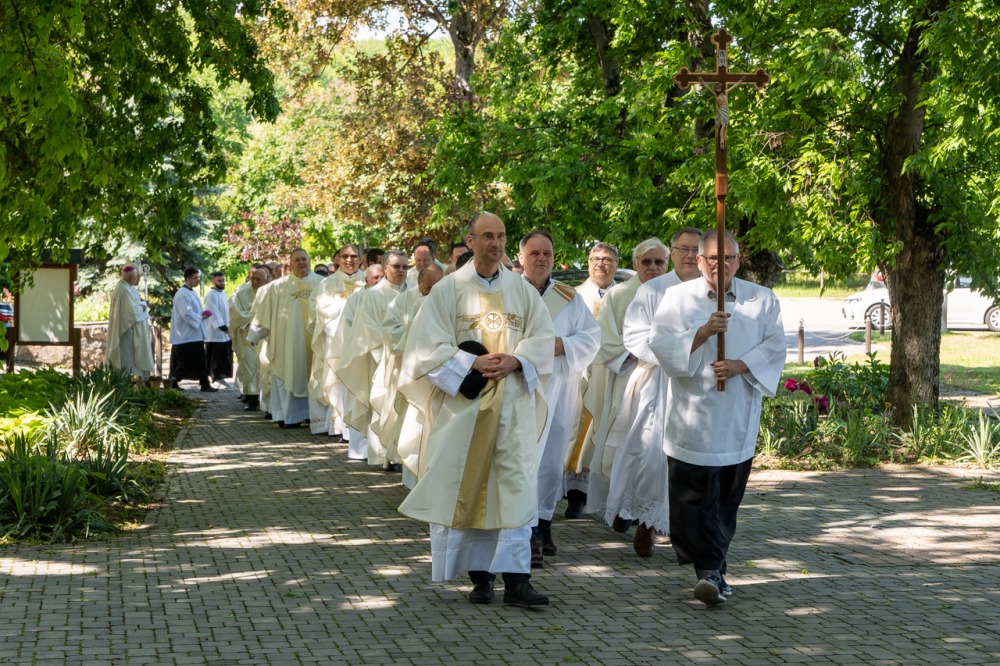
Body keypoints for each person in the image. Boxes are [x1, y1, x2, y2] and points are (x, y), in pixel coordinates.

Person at [397, 212, 555, 608]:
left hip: (513, 407)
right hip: (465, 411)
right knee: (467, 487)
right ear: (471, 241)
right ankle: (480, 578)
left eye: (501, 236)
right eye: (487, 236)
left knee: (515, 488)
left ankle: (517, 581)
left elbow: (542, 336)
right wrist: (471, 362)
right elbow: (424, 348)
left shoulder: (521, 290)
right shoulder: (448, 290)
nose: (496, 244)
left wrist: (517, 360)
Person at [647, 231, 784, 606]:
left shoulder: (761, 299)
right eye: (711, 258)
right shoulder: (677, 298)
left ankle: (713, 569)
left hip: (736, 416)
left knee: (725, 500)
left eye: (727, 258)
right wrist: (703, 331)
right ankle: (709, 571)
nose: (719, 264)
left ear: (738, 261)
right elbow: (660, 343)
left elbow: (775, 344)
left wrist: (741, 365)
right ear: (698, 260)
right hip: (692, 417)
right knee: (691, 500)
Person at [605, 229, 702, 557]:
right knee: (652, 457)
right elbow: (634, 336)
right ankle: (646, 523)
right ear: (672, 253)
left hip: (700, 385)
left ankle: (688, 534)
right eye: (684, 248)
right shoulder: (652, 291)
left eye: (696, 249)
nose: (690, 255)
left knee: (693, 460)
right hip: (658, 382)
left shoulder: (713, 291)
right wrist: (677, 353)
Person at [518, 231, 600, 567]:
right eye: (534, 253)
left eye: (547, 254)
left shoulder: (569, 298)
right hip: (521, 387)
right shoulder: (509, 293)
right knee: (524, 460)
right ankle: (525, 530)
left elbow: (592, 337)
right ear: (521, 257)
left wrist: (562, 345)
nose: (541, 259)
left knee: (551, 461)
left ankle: (544, 522)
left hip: (559, 388)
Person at [563, 241, 620, 518]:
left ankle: (615, 501)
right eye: (595, 259)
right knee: (580, 433)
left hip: (614, 373)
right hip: (581, 374)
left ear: (616, 265)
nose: (601, 264)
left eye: (607, 259)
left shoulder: (625, 296)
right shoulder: (573, 296)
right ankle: (576, 494)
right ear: (588, 263)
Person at [337, 250, 409, 468]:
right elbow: (367, 331)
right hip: (384, 362)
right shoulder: (373, 296)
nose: (401, 271)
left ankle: (404, 455)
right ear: (385, 267)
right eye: (396, 266)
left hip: (411, 361)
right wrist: (391, 353)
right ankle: (385, 455)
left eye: (405, 267)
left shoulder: (414, 293)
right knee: (385, 407)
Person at [378, 264, 444, 485]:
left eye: (438, 287)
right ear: (419, 284)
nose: (432, 293)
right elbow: (391, 331)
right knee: (415, 423)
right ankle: (412, 475)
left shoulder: (449, 301)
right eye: (428, 288)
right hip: (416, 374)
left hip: (442, 376)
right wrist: (414, 334)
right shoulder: (409, 301)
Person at [248, 248, 324, 429]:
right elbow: (264, 314)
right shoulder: (277, 287)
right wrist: (255, 334)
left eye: (304, 259)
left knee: (316, 375)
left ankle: (314, 417)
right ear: (290, 264)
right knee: (287, 373)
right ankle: (289, 416)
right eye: (297, 260)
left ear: (310, 261)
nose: (301, 263)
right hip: (287, 344)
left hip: (316, 343)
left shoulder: (322, 284)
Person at [309, 245, 364, 437]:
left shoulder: (367, 280)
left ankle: (357, 428)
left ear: (360, 259)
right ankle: (340, 426)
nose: (350, 260)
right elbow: (323, 310)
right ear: (338, 259)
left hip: (362, 341)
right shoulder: (327, 283)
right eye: (345, 256)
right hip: (337, 342)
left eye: (354, 256)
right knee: (338, 381)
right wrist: (348, 313)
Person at [168, 268, 217, 392]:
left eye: (198, 278)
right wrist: (201, 317)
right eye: (195, 278)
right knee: (185, 362)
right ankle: (173, 381)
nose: (197, 280)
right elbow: (187, 313)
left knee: (200, 360)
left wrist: (202, 314)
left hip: (194, 334)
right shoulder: (182, 294)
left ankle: (204, 383)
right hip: (186, 335)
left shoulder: (192, 292)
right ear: (188, 278)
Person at [105, 264, 155, 379]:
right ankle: (131, 382)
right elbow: (133, 313)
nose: (137, 279)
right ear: (132, 277)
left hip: (129, 329)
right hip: (128, 332)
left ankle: (138, 381)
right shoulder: (124, 290)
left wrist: (141, 304)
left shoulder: (126, 287)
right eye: (136, 276)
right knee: (129, 358)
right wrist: (144, 305)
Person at [231, 266, 269, 410]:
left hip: (265, 336)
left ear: (266, 280)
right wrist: (254, 320)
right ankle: (252, 399)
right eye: (253, 279)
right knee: (250, 366)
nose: (255, 282)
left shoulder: (271, 292)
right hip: (246, 335)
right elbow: (236, 314)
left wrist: (260, 320)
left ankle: (265, 400)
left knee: (265, 367)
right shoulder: (242, 293)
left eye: (259, 279)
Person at [203, 271, 232, 387]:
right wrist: (223, 327)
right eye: (219, 280)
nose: (222, 282)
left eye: (223, 280)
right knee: (214, 357)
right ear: (213, 281)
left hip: (225, 333)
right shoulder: (211, 295)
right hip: (215, 333)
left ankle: (221, 377)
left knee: (223, 357)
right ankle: (215, 378)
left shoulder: (223, 293)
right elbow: (213, 313)